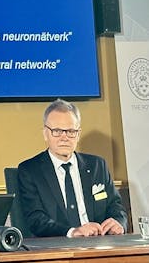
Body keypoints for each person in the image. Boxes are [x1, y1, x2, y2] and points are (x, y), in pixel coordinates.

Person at [17, 99, 128, 237]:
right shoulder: (30, 170)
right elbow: (36, 219)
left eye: (70, 131)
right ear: (45, 133)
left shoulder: (97, 166)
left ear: (78, 134)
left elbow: (115, 206)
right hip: (57, 246)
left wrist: (118, 222)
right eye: (57, 131)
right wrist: (72, 232)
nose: (64, 138)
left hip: (99, 243)